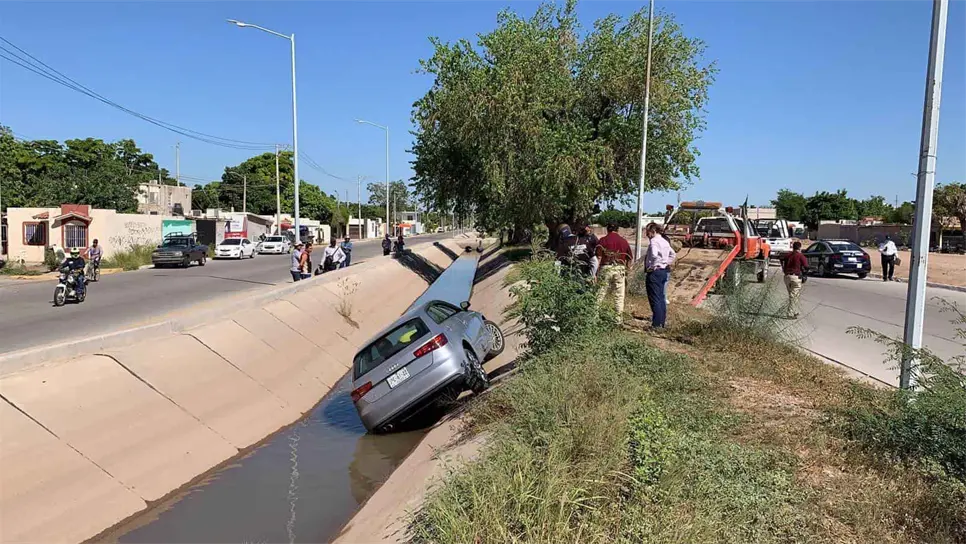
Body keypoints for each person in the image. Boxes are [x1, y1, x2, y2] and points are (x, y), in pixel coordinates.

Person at [595, 223, 633, 321]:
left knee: (600, 292)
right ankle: (617, 319)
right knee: (619, 295)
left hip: (606, 267)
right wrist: (627, 270)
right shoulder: (624, 241)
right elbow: (629, 258)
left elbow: (599, 257)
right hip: (619, 268)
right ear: (618, 230)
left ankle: (594, 317)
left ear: (607, 230)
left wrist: (596, 272)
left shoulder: (602, 240)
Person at [643, 223, 673, 329]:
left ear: (653, 231)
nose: (647, 234)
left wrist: (653, 266)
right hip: (663, 271)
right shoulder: (665, 241)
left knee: (654, 298)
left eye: (648, 232)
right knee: (661, 298)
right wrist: (665, 263)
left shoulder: (654, 241)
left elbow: (654, 255)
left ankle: (656, 324)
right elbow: (672, 254)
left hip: (655, 272)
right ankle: (661, 322)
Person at [781, 241, 809, 319]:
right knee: (793, 296)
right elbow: (806, 266)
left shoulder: (788, 255)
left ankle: (795, 311)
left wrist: (784, 270)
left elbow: (782, 261)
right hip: (795, 277)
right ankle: (790, 313)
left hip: (787, 277)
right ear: (799, 248)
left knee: (793, 295)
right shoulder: (800, 256)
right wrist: (804, 274)